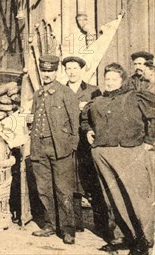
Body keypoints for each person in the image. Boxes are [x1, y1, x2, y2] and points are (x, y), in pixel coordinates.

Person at [81, 63, 154, 255]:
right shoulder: (97, 101)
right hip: (103, 153)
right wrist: (88, 130)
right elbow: (85, 118)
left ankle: (144, 241)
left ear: (122, 80)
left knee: (136, 198)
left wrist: (149, 140)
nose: (110, 82)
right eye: (107, 79)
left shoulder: (135, 97)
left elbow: (153, 116)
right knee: (112, 198)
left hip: (129, 151)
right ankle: (126, 237)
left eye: (114, 79)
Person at [29, 55, 79, 245]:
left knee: (63, 190)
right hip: (39, 147)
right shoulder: (38, 93)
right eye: (44, 71)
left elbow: (75, 123)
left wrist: (71, 146)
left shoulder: (66, 93)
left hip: (60, 148)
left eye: (50, 71)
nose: (47, 74)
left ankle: (68, 230)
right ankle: (49, 225)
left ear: (56, 71)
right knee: (44, 189)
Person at [61, 56, 104, 235]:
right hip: (68, 143)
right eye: (68, 68)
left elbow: (100, 115)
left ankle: (102, 226)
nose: (71, 72)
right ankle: (76, 224)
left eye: (75, 68)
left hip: (87, 144)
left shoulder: (93, 91)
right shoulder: (60, 91)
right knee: (72, 184)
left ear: (82, 70)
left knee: (93, 183)